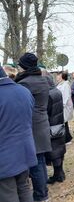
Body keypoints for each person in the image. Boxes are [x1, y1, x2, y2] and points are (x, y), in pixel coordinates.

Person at [15, 53, 52, 202]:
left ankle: (41, 195)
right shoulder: (42, 79)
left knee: (35, 163)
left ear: (24, 66)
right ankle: (43, 192)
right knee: (40, 160)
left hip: (32, 126)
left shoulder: (25, 83)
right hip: (42, 123)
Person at [0, 65, 37, 202]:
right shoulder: (24, 91)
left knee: (7, 194)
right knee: (24, 188)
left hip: (4, 159)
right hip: (24, 151)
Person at [45, 76, 66, 184]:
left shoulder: (48, 95)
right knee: (59, 150)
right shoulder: (56, 91)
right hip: (58, 124)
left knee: (54, 151)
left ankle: (58, 175)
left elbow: (46, 111)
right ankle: (60, 173)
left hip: (52, 125)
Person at [56, 71, 74, 144]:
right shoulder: (60, 84)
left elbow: (66, 97)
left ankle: (67, 139)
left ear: (62, 76)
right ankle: (67, 138)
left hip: (64, 106)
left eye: (58, 75)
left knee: (64, 122)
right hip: (62, 106)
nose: (57, 77)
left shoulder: (66, 85)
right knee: (64, 122)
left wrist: (62, 105)